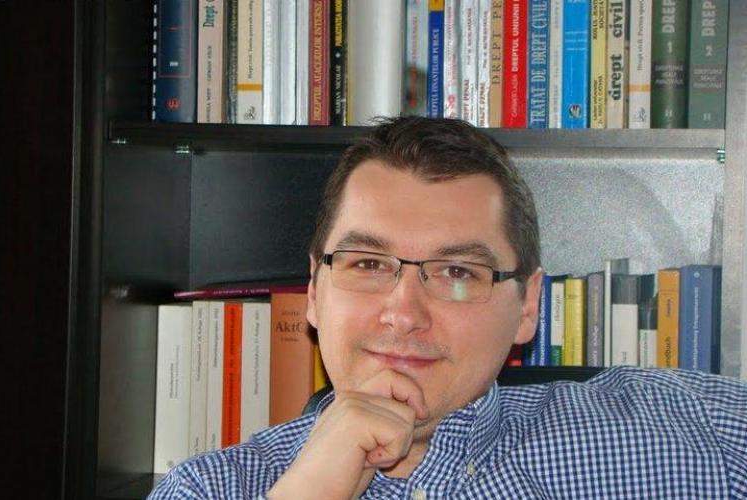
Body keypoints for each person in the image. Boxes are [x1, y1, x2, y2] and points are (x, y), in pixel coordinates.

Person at [149, 116, 747, 499]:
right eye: (368, 264)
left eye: (457, 272)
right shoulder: (210, 489)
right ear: (313, 290)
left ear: (528, 306)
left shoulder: (691, 431)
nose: (403, 313)